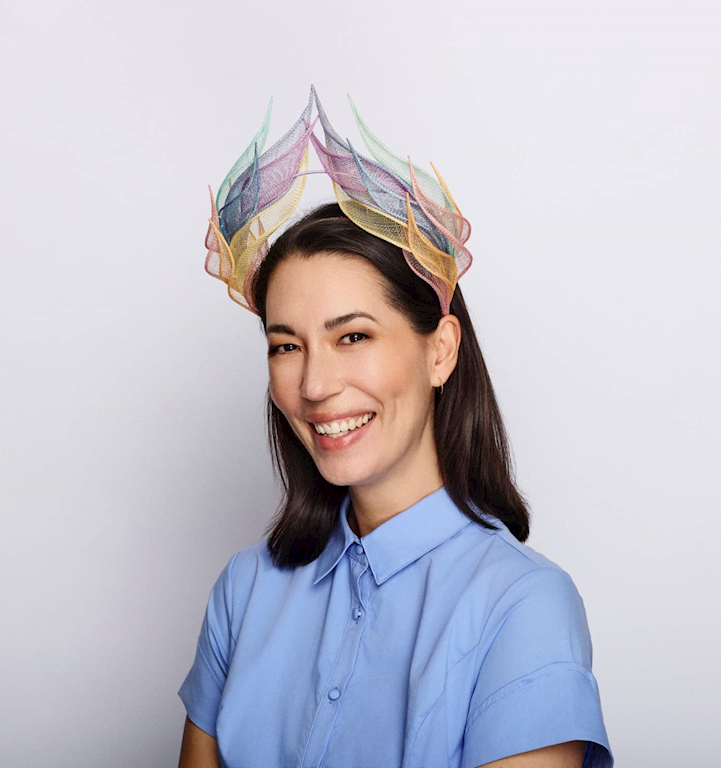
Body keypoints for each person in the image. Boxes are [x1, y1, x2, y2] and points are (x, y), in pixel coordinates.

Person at [177, 86, 613, 768]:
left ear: (440, 351)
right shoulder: (246, 588)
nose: (314, 385)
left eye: (352, 336)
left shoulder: (521, 607)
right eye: (286, 345)